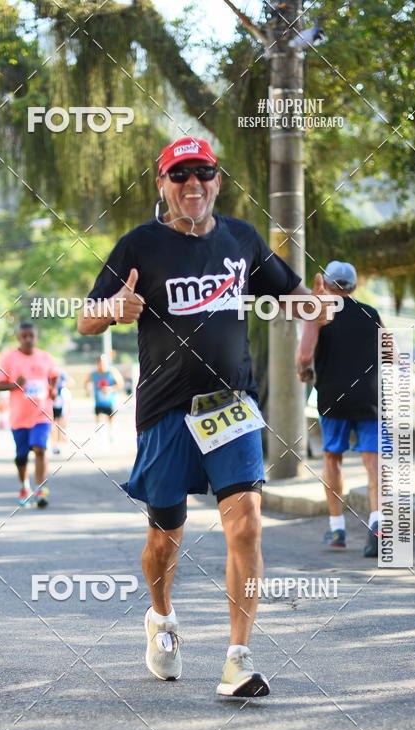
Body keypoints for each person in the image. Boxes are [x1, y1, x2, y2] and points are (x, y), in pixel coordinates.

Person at [78, 136, 338, 697]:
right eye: (180, 175)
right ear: (162, 184)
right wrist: (110, 309)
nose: (192, 184)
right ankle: (162, 619)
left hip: (233, 407)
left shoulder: (242, 239)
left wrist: (318, 306)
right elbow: (85, 320)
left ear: (218, 181)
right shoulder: (138, 246)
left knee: (245, 524)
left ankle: (238, 659)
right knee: (166, 535)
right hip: (166, 410)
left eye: (203, 173)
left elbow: (293, 297)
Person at [296, 260, 382, 558]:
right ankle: (377, 526)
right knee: (373, 463)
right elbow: (392, 354)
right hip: (369, 397)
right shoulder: (372, 314)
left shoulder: (320, 313)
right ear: (354, 286)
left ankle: (337, 529)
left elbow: (305, 356)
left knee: (333, 458)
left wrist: (304, 372)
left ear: (328, 285)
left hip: (332, 396)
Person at [0, 322, 59, 507]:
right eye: (24, 336)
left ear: (36, 336)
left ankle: (40, 490)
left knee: (40, 448)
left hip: (42, 413)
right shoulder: (9, 359)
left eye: (31, 335)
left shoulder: (45, 357)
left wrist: (53, 389)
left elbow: (55, 375)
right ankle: (24, 487)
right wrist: (14, 385)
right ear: (19, 338)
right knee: (21, 456)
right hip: (19, 417)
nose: (28, 339)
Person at [89, 354, 124, 438]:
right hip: (98, 402)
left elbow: (121, 385)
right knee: (99, 420)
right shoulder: (93, 374)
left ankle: (112, 435)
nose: (102, 365)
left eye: (104, 362)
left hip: (110, 401)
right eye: (100, 362)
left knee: (111, 420)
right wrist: (88, 388)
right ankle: (102, 438)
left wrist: (110, 388)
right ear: (97, 363)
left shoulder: (112, 372)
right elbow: (87, 383)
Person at [51, 371, 73, 455]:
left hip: (60, 405)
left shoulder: (64, 390)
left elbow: (68, 404)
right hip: (53, 404)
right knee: (54, 427)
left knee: (59, 426)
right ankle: (55, 445)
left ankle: (58, 445)